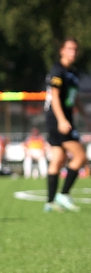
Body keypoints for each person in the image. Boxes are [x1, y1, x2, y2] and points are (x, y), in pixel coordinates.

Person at [44, 37, 87, 212]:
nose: (73, 52)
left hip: (64, 120)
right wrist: (62, 120)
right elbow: (54, 97)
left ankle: (50, 202)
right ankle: (64, 194)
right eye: (69, 49)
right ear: (62, 50)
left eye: (75, 49)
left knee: (58, 159)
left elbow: (74, 97)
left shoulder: (73, 73)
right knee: (80, 157)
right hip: (57, 120)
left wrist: (85, 115)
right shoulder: (57, 71)